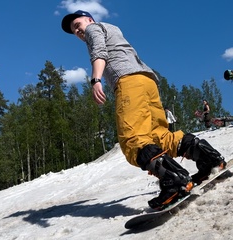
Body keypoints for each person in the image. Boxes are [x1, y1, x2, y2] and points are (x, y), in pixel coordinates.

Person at [61, 10, 226, 210]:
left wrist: (95, 80)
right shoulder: (113, 29)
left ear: (90, 19)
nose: (77, 31)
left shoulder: (94, 29)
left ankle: (175, 182)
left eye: (78, 24)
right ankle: (208, 159)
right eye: (74, 30)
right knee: (159, 135)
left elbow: (99, 52)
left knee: (133, 139)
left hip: (128, 82)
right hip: (147, 81)